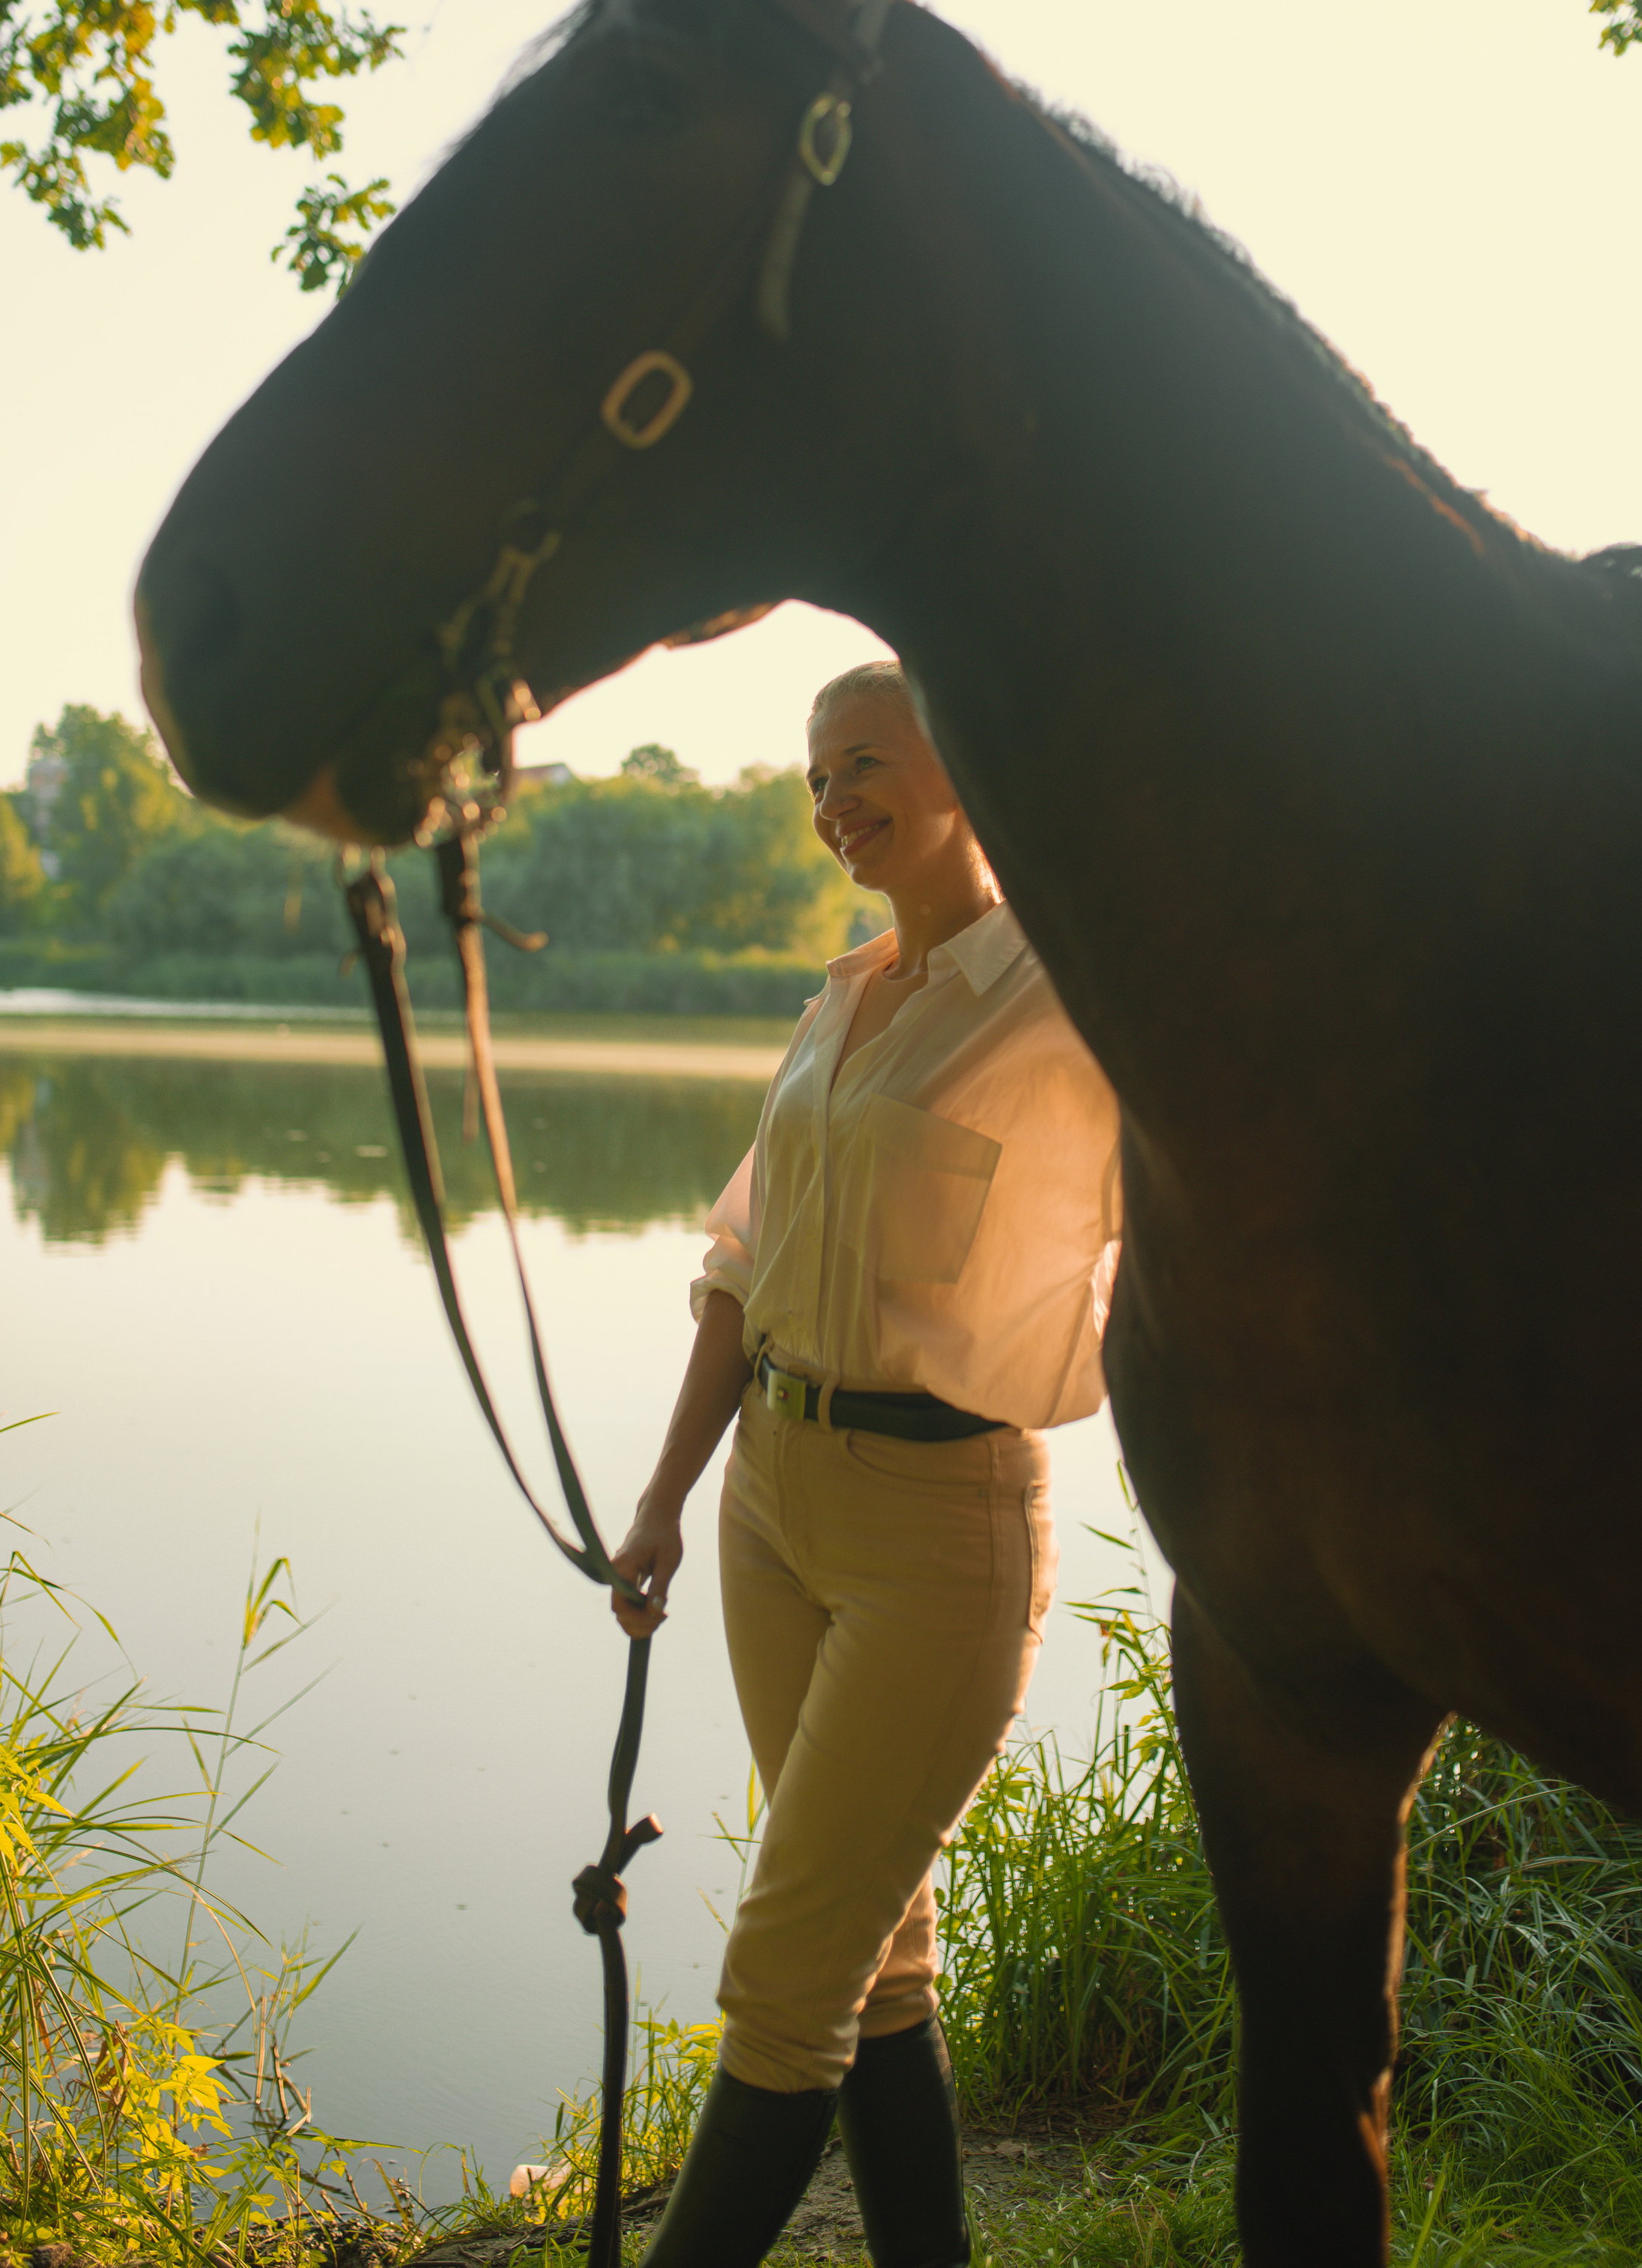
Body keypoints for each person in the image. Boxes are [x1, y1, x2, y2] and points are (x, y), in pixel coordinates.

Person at [611, 662, 1121, 2268]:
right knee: (875, 1958)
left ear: (959, 759)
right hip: (771, 1505)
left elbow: (1236, 1159)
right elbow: (738, 1268)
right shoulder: (838, 999)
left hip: (940, 1531)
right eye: (813, 781)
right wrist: (663, 1502)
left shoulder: (1071, 996)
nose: (833, 805)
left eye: (860, 765)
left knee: (782, 1973)